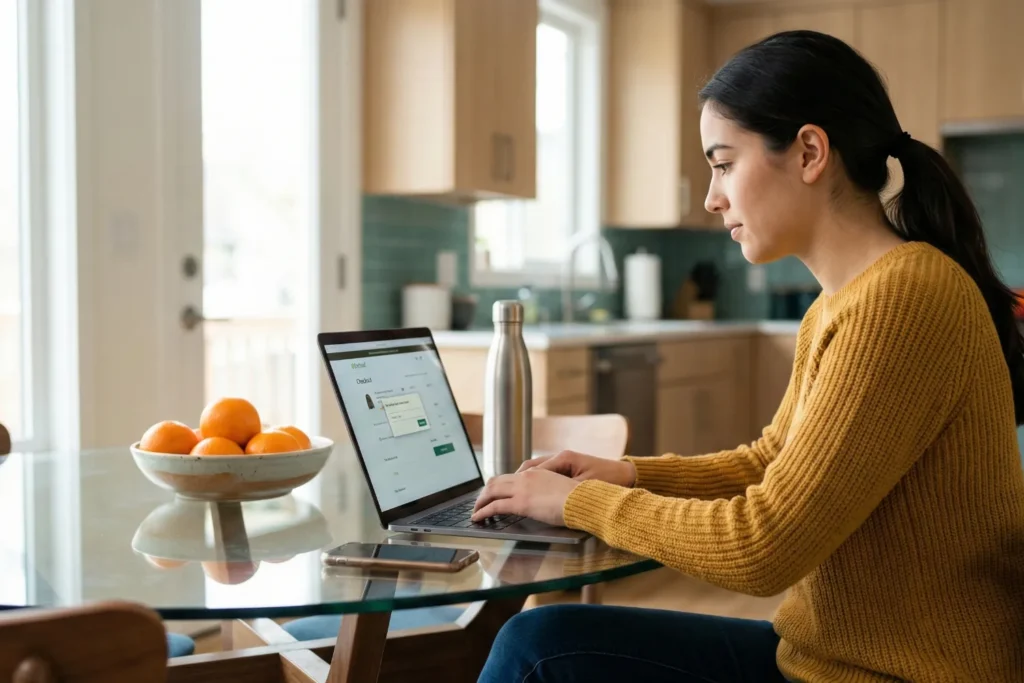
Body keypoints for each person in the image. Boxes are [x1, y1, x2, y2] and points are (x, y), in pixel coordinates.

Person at [471, 30, 1024, 682]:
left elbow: (762, 547)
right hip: (822, 661)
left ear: (810, 152)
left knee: (539, 653)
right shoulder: (846, 299)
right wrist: (624, 474)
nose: (712, 196)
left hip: (891, 674)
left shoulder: (903, 297)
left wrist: (575, 504)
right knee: (539, 640)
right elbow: (771, 461)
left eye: (724, 162)